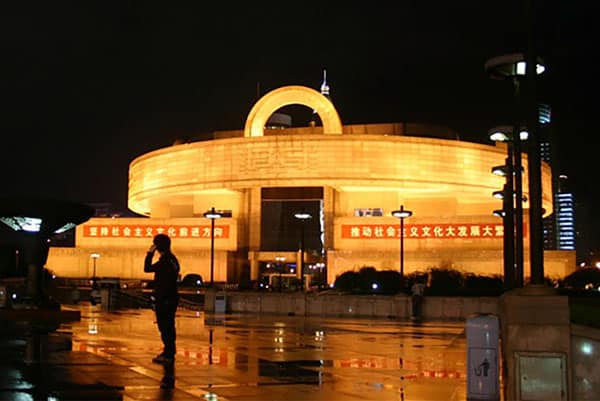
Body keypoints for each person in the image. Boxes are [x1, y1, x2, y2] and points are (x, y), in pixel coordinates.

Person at [144, 233, 180, 366]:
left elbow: (147, 268)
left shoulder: (165, 261)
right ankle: (169, 352)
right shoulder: (172, 260)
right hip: (171, 298)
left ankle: (169, 353)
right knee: (169, 326)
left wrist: (149, 253)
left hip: (164, 299)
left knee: (165, 327)